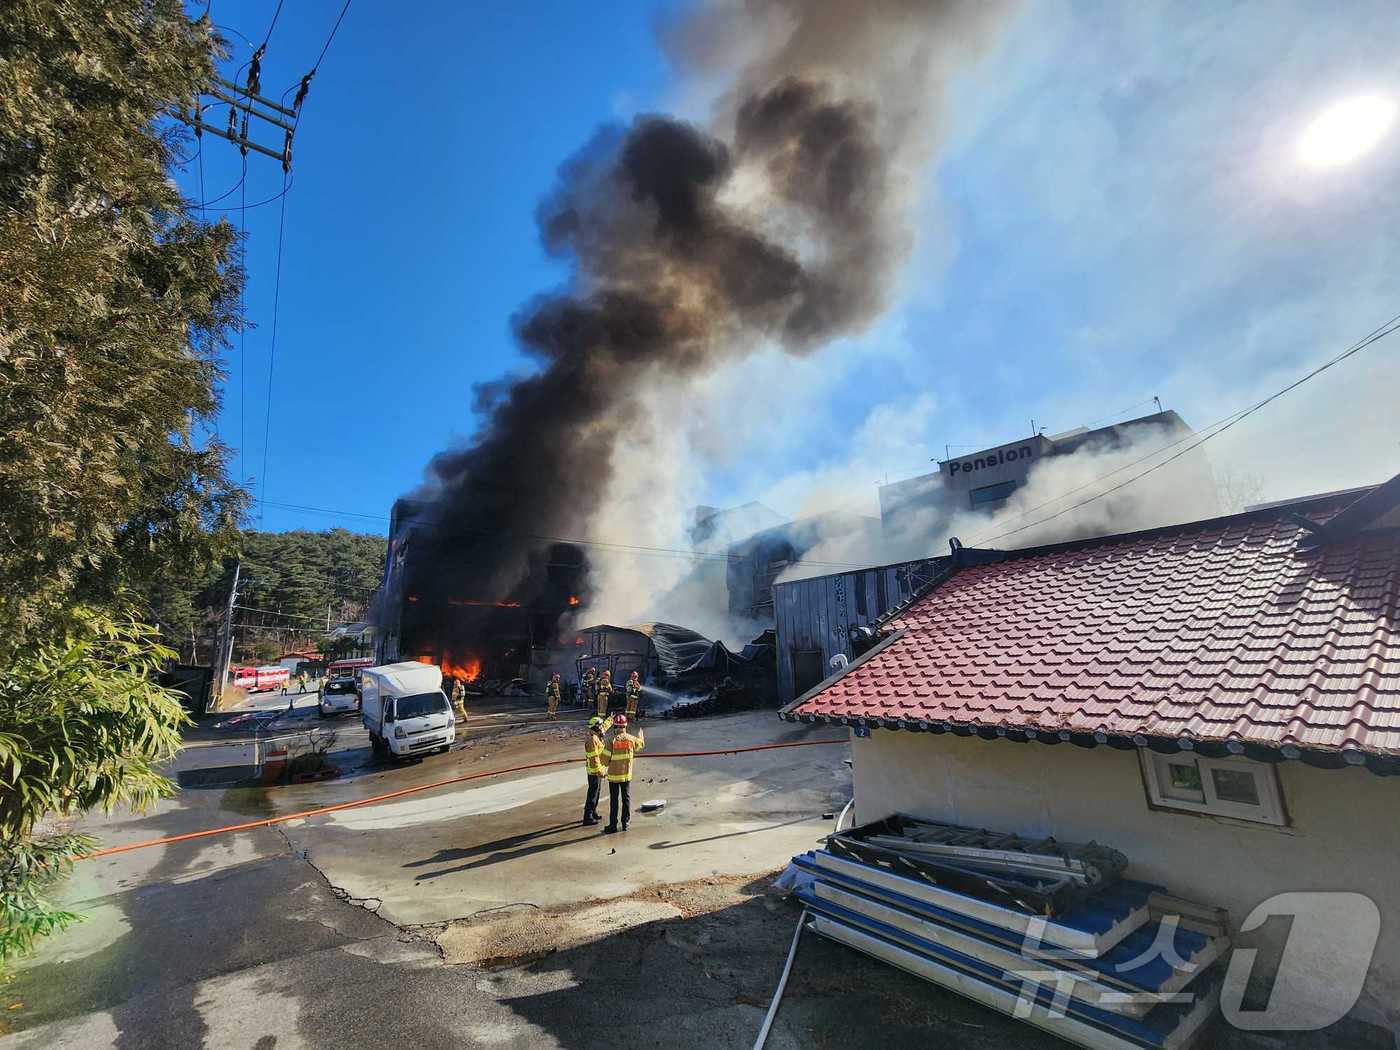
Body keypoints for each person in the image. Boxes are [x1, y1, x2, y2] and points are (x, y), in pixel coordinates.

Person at [602, 714, 644, 833]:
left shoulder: (611, 740)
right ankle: (625, 823)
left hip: (614, 777)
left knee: (614, 800)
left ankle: (613, 825)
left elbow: (604, 761)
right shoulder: (631, 739)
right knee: (626, 798)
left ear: (615, 726)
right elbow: (640, 745)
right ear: (625, 726)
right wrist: (641, 736)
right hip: (626, 775)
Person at [582, 713, 613, 825]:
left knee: (597, 792)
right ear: (595, 727)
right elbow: (594, 759)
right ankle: (588, 817)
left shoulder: (597, 734)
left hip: (598, 770)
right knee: (593, 793)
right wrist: (599, 771)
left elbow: (603, 727)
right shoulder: (592, 740)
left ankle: (593, 811)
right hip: (594, 771)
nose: (601, 728)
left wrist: (610, 720)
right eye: (599, 726)